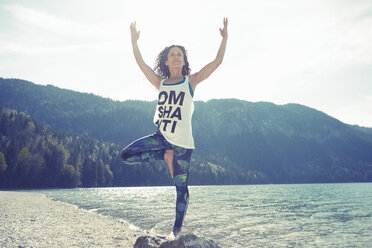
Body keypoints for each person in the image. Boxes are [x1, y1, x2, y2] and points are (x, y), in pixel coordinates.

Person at [120, 18, 228, 237]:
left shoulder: (191, 81)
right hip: (161, 138)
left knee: (181, 190)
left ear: (183, 60)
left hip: (183, 146)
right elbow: (141, 65)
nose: (177, 57)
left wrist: (224, 39)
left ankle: (176, 232)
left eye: (180, 54)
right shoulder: (160, 83)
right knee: (126, 156)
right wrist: (134, 43)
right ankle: (164, 156)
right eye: (173, 54)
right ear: (167, 62)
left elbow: (216, 62)